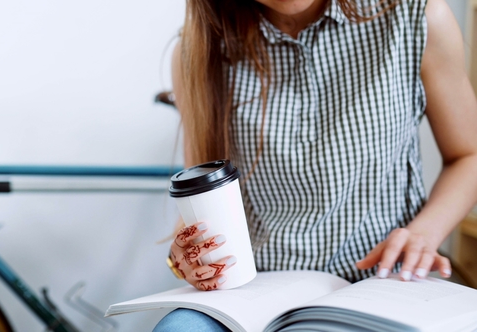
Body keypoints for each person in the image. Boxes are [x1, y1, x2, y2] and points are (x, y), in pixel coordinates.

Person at [154, 0, 477, 330]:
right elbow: (202, 199)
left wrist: (424, 232)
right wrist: (188, 255)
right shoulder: (199, 51)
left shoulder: (416, 16)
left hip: (384, 280)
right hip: (256, 288)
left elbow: (469, 155)